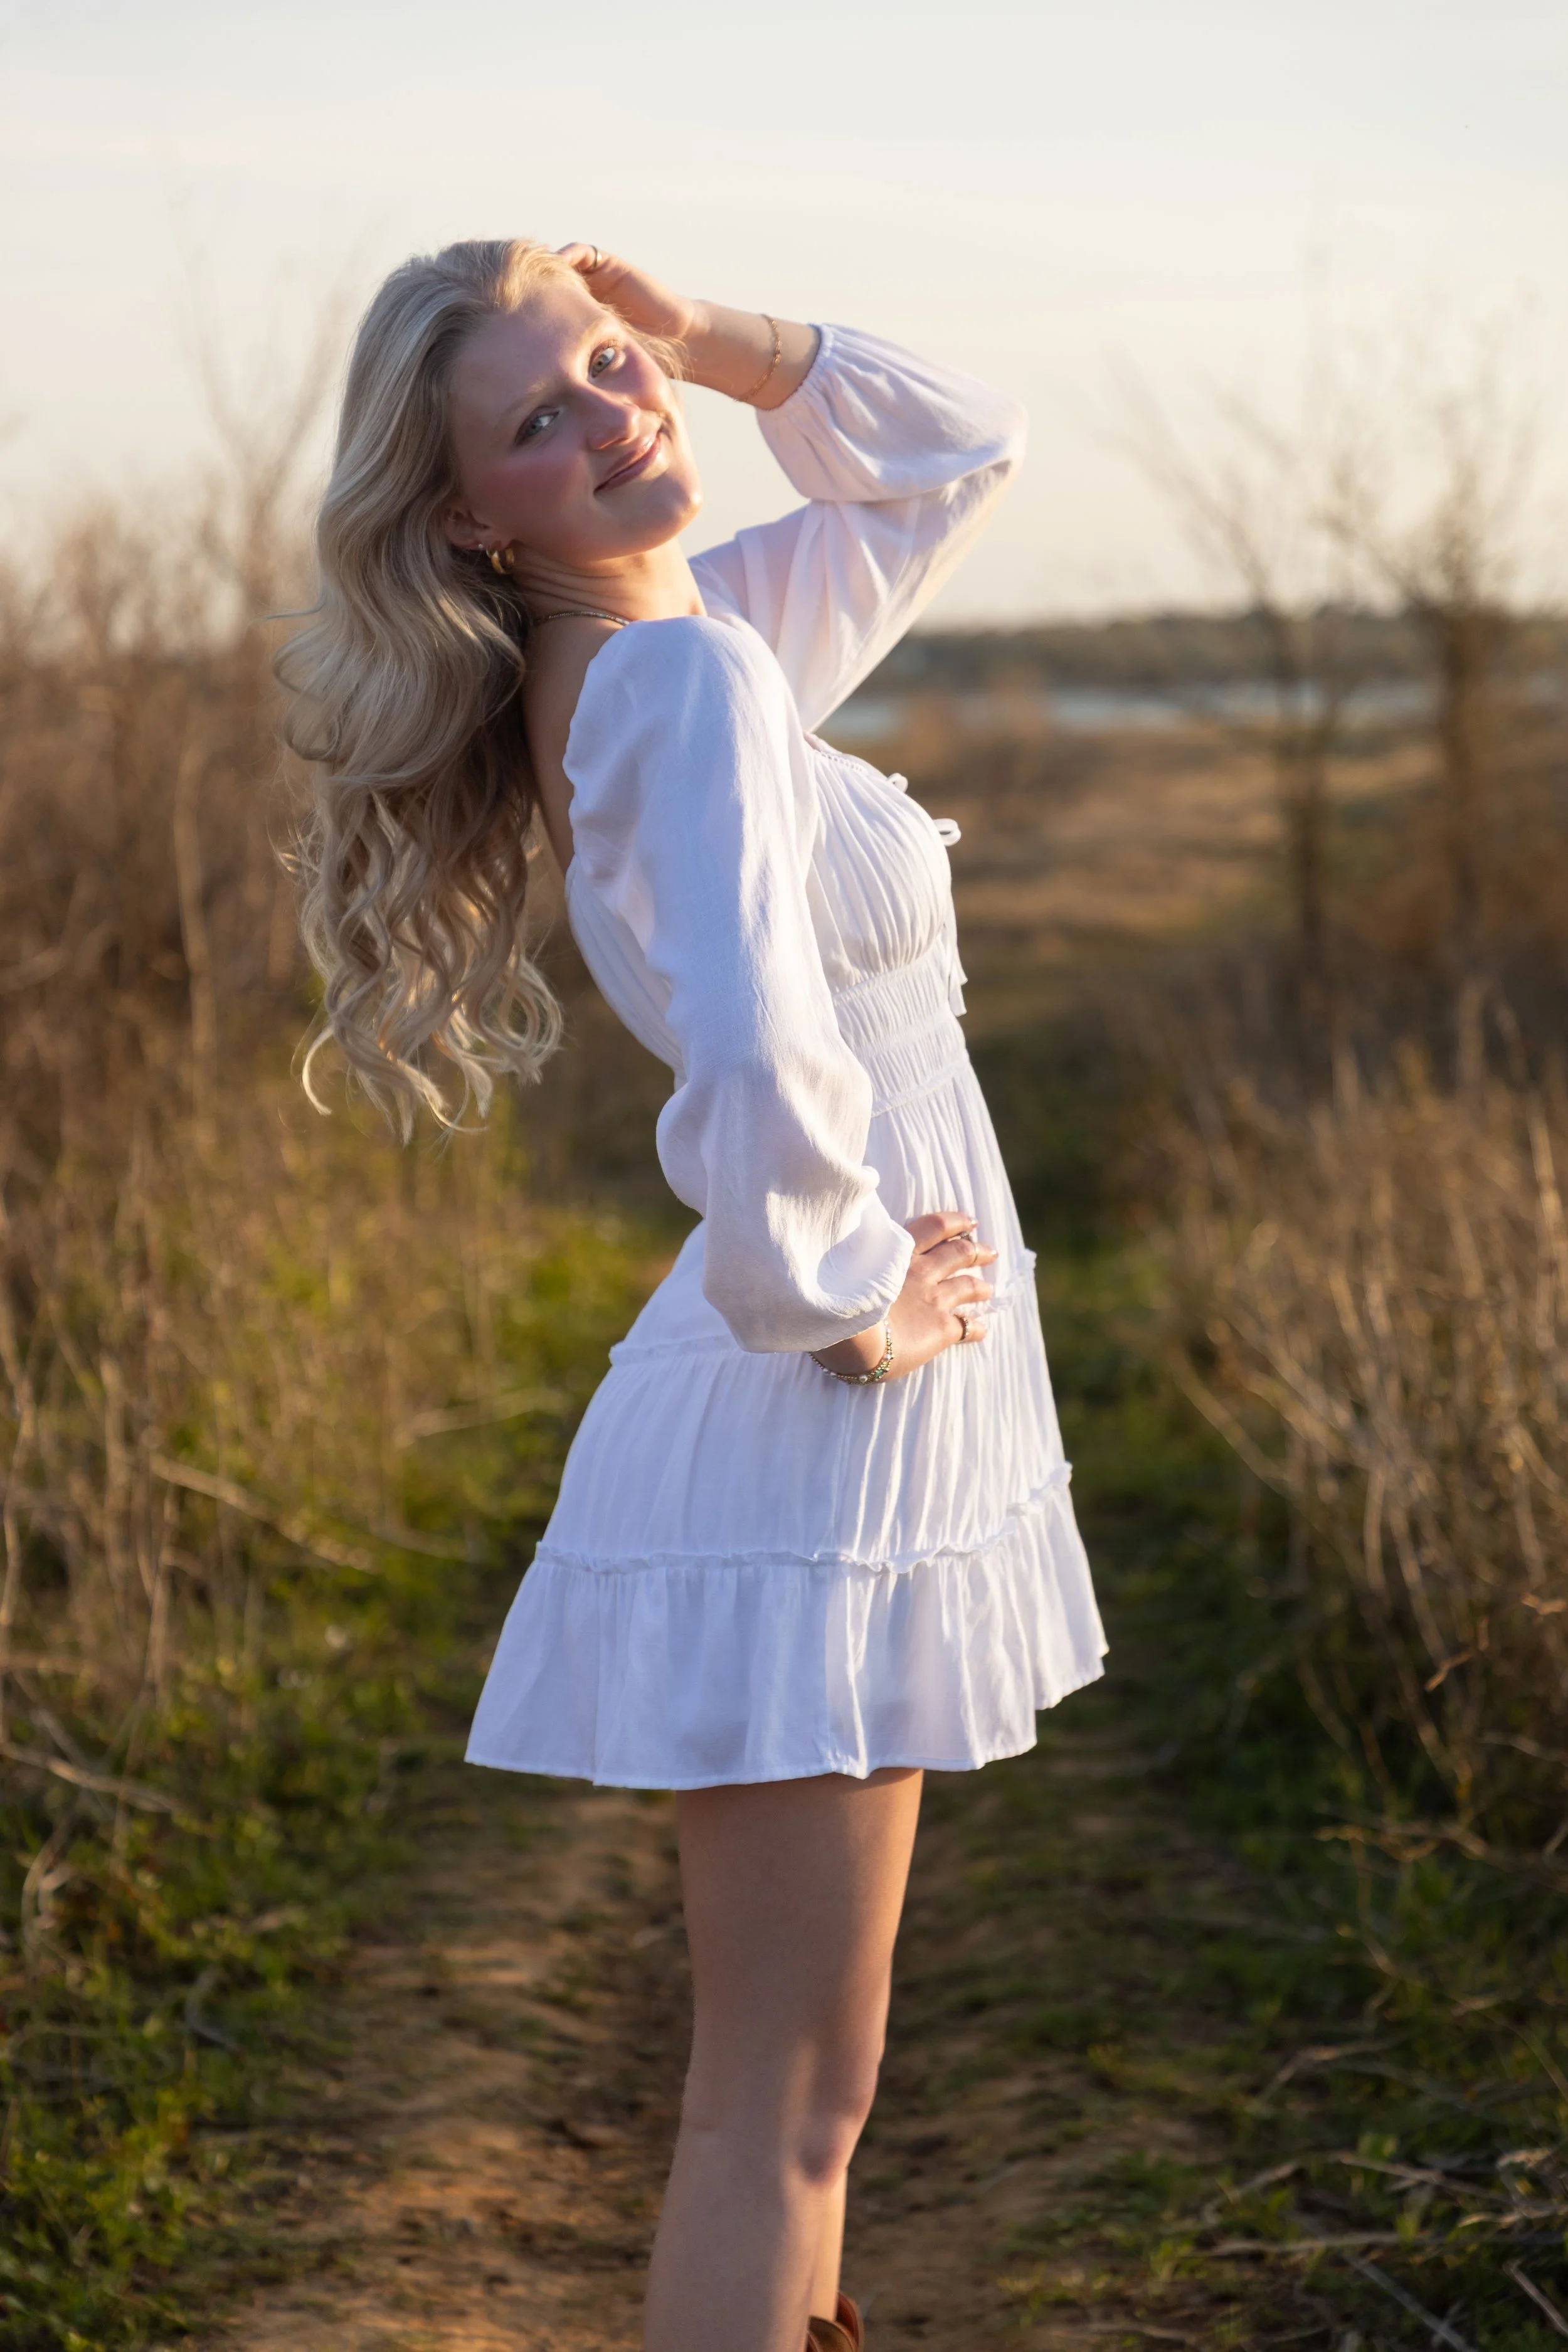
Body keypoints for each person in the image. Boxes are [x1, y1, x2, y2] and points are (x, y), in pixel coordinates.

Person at [280, 236, 1105, 2352]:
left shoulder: (687, 640)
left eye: (609, 366)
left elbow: (952, 455)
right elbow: (751, 1044)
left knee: (807, 2095)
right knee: (775, 2112)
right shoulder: (682, 680)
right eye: (537, 420)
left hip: (814, 1397)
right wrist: (853, 1300)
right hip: (813, 1410)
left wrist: (720, 341)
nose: (613, 416)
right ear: (474, 515)